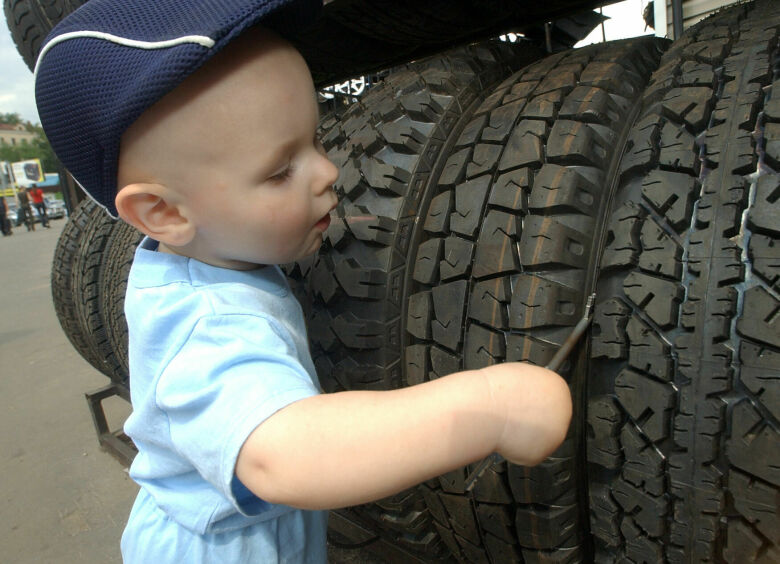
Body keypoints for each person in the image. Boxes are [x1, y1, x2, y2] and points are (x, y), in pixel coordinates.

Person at [35, 1, 573, 562]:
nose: (327, 171)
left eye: (315, 140)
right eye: (278, 171)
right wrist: (493, 406)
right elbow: (282, 456)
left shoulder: (199, 253)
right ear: (164, 213)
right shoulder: (207, 330)